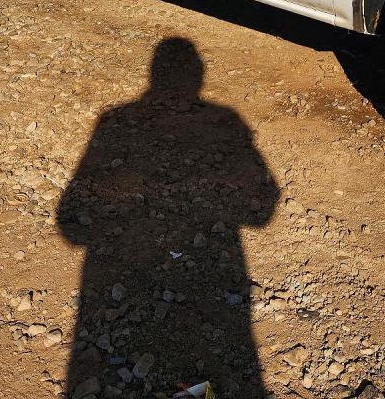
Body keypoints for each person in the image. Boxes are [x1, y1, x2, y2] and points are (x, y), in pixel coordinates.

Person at [58, 38, 279, 398]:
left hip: (121, 291)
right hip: (213, 289)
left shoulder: (114, 121)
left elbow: (70, 224)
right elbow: (264, 207)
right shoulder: (227, 122)